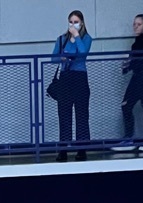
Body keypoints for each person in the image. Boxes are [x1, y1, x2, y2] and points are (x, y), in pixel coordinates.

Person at [111, 14, 143, 153]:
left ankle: (141, 139)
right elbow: (136, 61)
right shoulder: (137, 43)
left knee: (139, 107)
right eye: (134, 24)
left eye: (138, 24)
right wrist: (127, 66)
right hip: (141, 77)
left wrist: (132, 63)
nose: (135, 27)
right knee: (141, 107)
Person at [52, 10, 92, 162]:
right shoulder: (61, 39)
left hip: (80, 78)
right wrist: (61, 58)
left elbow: (83, 53)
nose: (73, 24)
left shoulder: (86, 38)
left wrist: (76, 36)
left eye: (76, 21)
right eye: (71, 21)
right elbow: (53, 58)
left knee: (81, 113)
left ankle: (81, 149)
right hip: (65, 78)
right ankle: (63, 149)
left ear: (81, 23)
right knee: (64, 114)